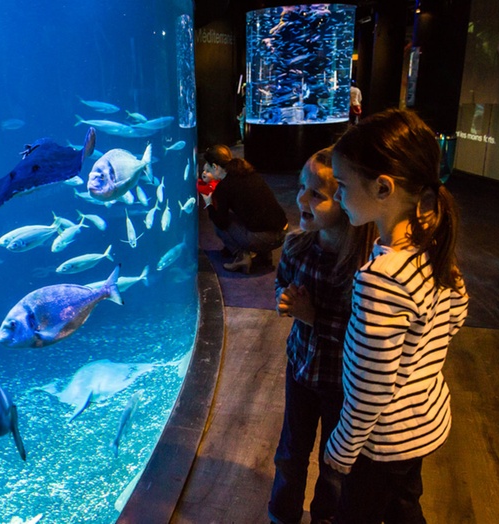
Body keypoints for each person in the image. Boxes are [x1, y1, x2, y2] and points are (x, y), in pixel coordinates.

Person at [323, 109, 469, 523]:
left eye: (343, 185)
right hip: (422, 422)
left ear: (383, 188)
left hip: (381, 440)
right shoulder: (433, 249)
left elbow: (371, 386)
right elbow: (454, 318)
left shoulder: (382, 280)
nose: (338, 197)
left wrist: (342, 448)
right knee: (404, 506)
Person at [268, 148, 375, 524]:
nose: (302, 199)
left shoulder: (363, 266)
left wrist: (312, 317)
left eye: (317, 194)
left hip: (341, 383)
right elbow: (281, 286)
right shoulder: (296, 246)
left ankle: (325, 518)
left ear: (345, 202)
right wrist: (283, 299)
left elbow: (364, 337)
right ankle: (282, 515)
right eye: (302, 188)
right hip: (300, 368)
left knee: (334, 461)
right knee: (290, 452)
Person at [201, 145, 288, 274]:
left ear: (215, 166)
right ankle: (264, 256)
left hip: (266, 238)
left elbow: (221, 222)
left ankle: (241, 257)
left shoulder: (225, 187)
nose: (206, 169)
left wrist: (209, 204)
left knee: (219, 222)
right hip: (283, 232)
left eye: (207, 166)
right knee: (252, 213)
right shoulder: (247, 171)